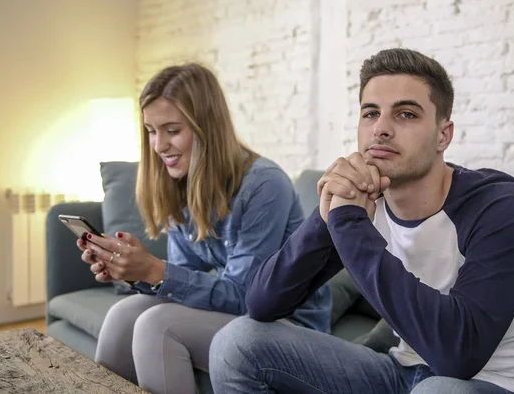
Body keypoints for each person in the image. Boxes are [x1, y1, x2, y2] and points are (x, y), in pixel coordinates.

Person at [209, 48, 514, 394]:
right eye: (370, 113)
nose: (381, 130)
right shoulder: (364, 199)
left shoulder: (500, 206)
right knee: (238, 342)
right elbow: (262, 304)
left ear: (443, 135)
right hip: (399, 374)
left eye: (406, 114)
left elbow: (458, 357)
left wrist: (348, 223)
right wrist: (327, 214)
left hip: (492, 385)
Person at [77, 63, 332, 394]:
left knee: (158, 326)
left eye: (172, 130)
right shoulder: (180, 183)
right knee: (123, 314)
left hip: (288, 323)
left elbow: (247, 298)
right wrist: (131, 271)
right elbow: (183, 280)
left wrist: (155, 270)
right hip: (245, 314)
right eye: (152, 131)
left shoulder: (264, 184)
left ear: (207, 127)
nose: (158, 146)